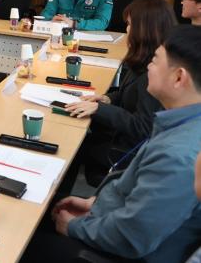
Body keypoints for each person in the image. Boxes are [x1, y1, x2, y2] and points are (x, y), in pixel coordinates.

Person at [22, 25, 201, 263]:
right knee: (34, 210)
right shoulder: (183, 124)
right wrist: (96, 204)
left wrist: (74, 227)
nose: (149, 66)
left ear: (179, 77)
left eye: (155, 60)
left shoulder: (178, 155)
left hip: (116, 251)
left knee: (19, 236)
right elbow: (142, 199)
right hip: (109, 221)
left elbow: (131, 236)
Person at [58, 0, 175, 193]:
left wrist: (99, 109)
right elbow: (127, 93)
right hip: (121, 137)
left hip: (128, 150)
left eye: (130, 24)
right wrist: (107, 99)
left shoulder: (155, 71)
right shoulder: (144, 58)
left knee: (72, 146)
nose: (127, 30)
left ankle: (59, 200)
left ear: (145, 29)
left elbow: (143, 127)